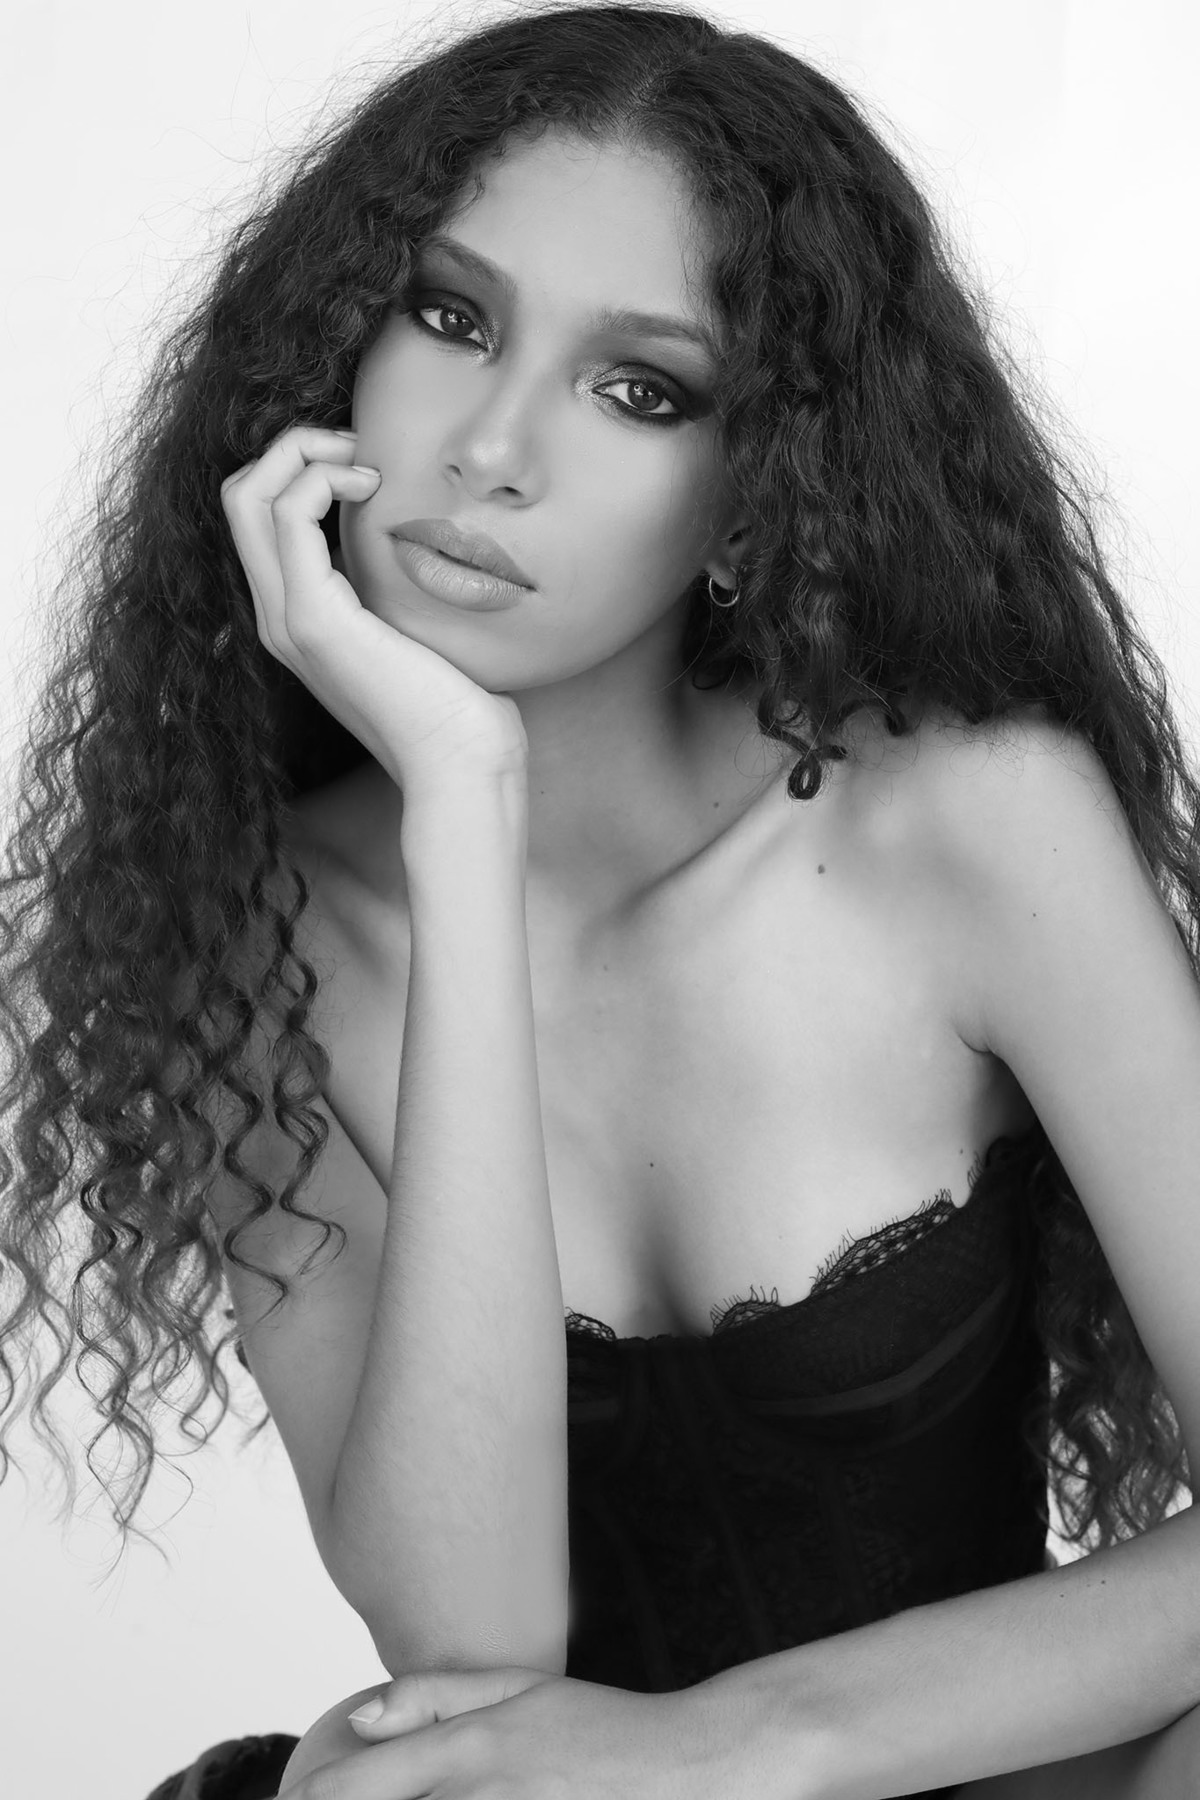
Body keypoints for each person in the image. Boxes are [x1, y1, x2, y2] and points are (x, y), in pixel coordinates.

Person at [2, 3, 1199, 1796]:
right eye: (451, 318)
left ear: (760, 487)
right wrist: (460, 804)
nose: (492, 448)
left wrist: (726, 1749)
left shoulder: (970, 823)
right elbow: (472, 1641)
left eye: (641, 389)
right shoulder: (242, 944)